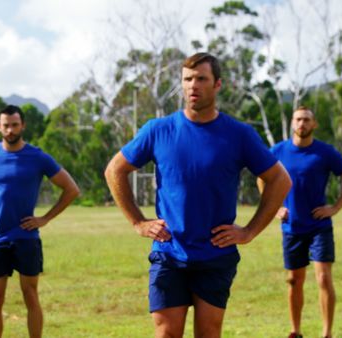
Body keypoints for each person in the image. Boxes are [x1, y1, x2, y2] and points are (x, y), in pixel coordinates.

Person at [104, 52, 292, 338]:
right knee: (166, 332)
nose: (193, 85)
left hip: (216, 254)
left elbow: (279, 179)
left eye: (201, 79)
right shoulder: (158, 130)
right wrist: (138, 222)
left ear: (217, 85)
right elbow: (115, 170)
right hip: (169, 251)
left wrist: (250, 231)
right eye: (187, 79)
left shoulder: (238, 134)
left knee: (208, 333)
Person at [0, 104, 80, 338]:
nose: (10, 130)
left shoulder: (38, 158)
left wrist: (45, 219)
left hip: (27, 237)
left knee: (30, 294)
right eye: (6, 125)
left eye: (15, 125)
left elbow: (71, 189)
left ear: (23, 125)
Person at [258, 107, 342, 338]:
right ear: (293, 123)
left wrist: (335, 207)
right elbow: (262, 178)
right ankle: (295, 331)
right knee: (294, 280)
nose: (301, 123)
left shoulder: (325, 152)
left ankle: (327, 333)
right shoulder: (278, 151)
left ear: (314, 124)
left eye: (306, 120)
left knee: (323, 277)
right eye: (298, 119)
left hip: (318, 226)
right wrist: (273, 208)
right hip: (291, 227)